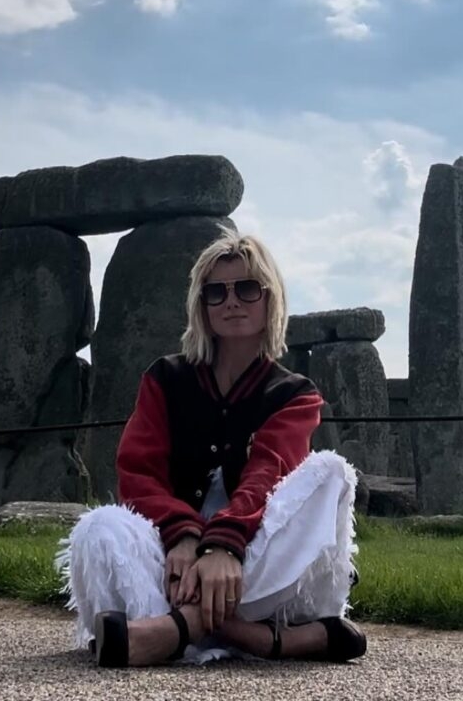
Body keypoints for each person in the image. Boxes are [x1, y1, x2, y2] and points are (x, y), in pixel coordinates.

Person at [56, 227, 365, 667]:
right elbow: (137, 471)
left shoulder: (294, 393)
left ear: (270, 297)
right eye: (215, 293)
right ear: (199, 305)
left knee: (331, 473)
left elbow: (269, 473)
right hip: (175, 560)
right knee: (98, 527)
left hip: (254, 558)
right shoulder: (165, 378)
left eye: (246, 288)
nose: (231, 301)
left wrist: (223, 546)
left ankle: (186, 629)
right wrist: (183, 536)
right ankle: (264, 638)